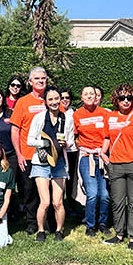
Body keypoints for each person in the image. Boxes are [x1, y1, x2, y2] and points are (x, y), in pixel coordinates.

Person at [101, 84, 133, 249]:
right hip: (115, 164)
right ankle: (119, 234)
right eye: (122, 98)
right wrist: (103, 152)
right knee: (117, 201)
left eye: (129, 98)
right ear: (116, 99)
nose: (125, 101)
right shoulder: (110, 117)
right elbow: (107, 137)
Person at [27, 86, 74, 242]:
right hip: (41, 163)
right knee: (45, 202)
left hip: (59, 163)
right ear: (45, 102)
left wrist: (65, 143)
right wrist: (47, 143)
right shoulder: (39, 118)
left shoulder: (67, 118)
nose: (54, 102)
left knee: (58, 202)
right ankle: (41, 230)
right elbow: (30, 140)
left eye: (56, 99)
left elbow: (71, 143)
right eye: (51, 99)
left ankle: (59, 231)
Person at [10, 66, 49, 235]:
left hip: (49, 155)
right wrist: (19, 154)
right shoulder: (23, 102)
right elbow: (15, 130)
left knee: (47, 190)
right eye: (37, 79)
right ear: (30, 81)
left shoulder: (51, 99)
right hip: (28, 154)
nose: (41, 81)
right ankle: (32, 222)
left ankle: (48, 220)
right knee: (29, 190)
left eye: (43, 78)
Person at [73, 85, 111, 237]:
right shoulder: (77, 115)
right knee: (92, 193)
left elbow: (108, 135)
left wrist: (103, 151)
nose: (89, 96)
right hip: (86, 157)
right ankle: (90, 224)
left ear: (96, 97)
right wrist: (83, 148)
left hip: (102, 157)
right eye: (86, 94)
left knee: (105, 194)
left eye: (92, 94)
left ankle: (103, 223)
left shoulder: (105, 114)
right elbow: (75, 137)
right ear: (81, 97)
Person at [59, 88, 80, 216]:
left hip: (72, 150)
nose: (65, 100)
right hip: (60, 150)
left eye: (67, 98)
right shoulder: (54, 113)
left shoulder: (75, 113)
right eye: (62, 98)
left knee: (72, 179)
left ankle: (72, 205)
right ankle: (59, 204)